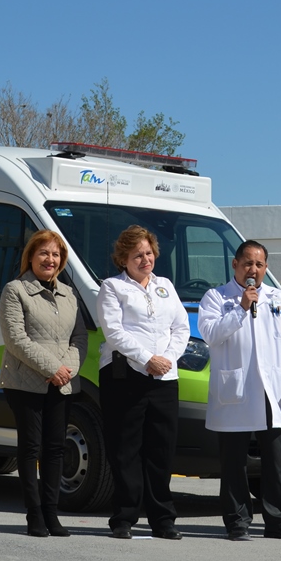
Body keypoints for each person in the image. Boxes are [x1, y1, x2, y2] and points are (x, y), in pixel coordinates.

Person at [198, 240, 281, 541]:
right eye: (248, 263)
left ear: (266, 268)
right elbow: (210, 334)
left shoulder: (278, 298)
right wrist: (242, 308)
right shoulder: (216, 298)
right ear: (235, 265)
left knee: (274, 461)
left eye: (259, 264)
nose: (253, 270)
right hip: (236, 392)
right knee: (233, 462)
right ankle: (237, 521)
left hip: (269, 391)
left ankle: (276, 522)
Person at [97, 226, 189, 540]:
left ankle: (163, 520)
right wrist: (147, 358)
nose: (145, 259)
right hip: (125, 377)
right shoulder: (112, 288)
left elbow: (181, 328)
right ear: (124, 258)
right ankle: (124, 518)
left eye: (149, 253)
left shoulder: (166, 286)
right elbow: (114, 332)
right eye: (138, 254)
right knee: (125, 450)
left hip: (164, 377)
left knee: (161, 451)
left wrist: (166, 359)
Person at [0, 230, 87, 537]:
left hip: (61, 383)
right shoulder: (15, 290)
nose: (50, 259)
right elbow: (15, 339)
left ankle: (52, 513)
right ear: (31, 257)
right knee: (31, 447)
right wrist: (52, 368)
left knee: (55, 449)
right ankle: (34, 514)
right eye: (44, 253)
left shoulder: (69, 295)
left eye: (56, 254)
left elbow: (80, 338)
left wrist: (67, 370)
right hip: (25, 382)